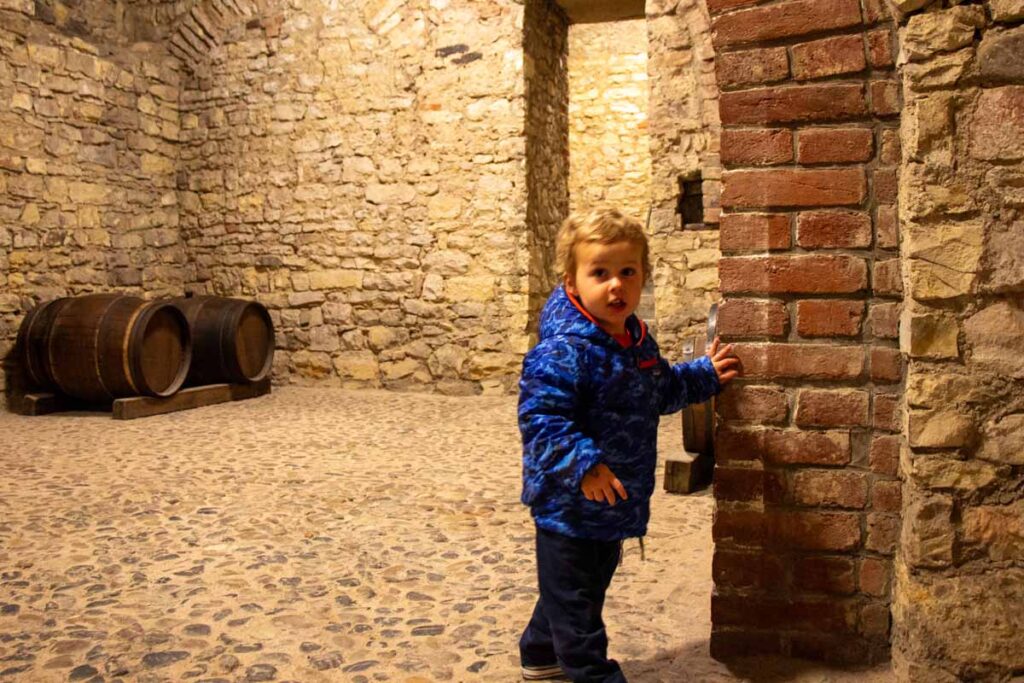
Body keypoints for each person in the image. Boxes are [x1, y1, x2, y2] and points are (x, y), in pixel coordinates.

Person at [517, 208, 740, 682]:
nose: (615, 285)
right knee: (580, 615)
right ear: (573, 283)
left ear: (643, 277)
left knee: (580, 589)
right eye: (600, 273)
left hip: (616, 502)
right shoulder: (563, 350)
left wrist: (703, 375)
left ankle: (538, 651)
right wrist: (584, 466)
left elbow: (660, 390)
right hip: (569, 505)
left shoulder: (636, 340)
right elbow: (541, 421)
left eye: (627, 272)